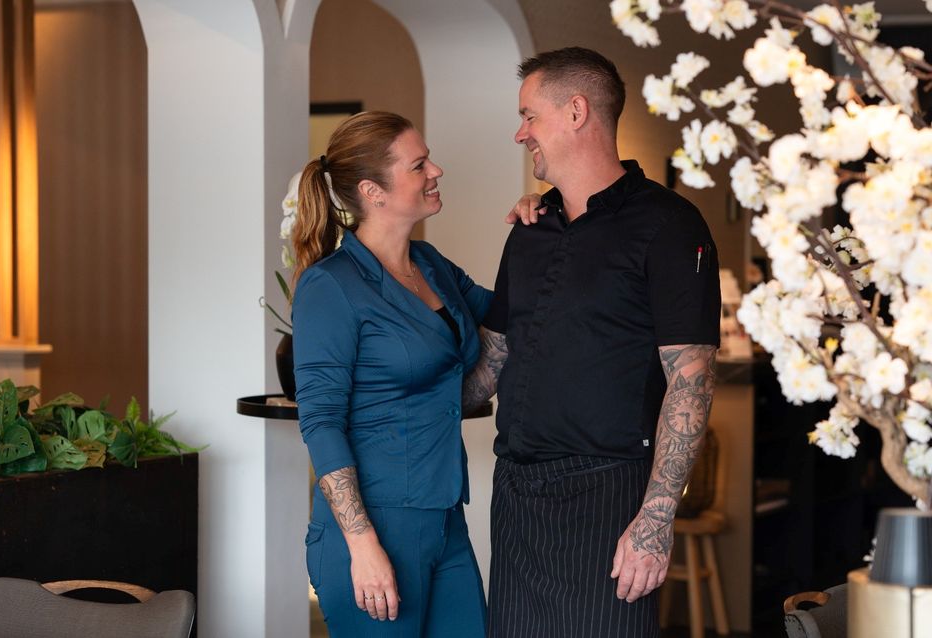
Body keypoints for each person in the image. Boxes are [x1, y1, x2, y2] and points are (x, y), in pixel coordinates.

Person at [463, 47, 722, 637]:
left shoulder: (669, 225)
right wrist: (388, 405)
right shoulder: (528, 229)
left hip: (610, 497)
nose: (520, 133)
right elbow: (492, 361)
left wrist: (656, 518)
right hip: (516, 493)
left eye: (529, 116)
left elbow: (692, 380)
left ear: (576, 112)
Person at [291, 111, 490, 637]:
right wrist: (363, 545)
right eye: (419, 165)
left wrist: (544, 226)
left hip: (445, 516)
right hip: (374, 529)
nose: (436, 171)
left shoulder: (431, 264)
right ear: (372, 191)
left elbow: (510, 311)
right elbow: (321, 422)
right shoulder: (330, 286)